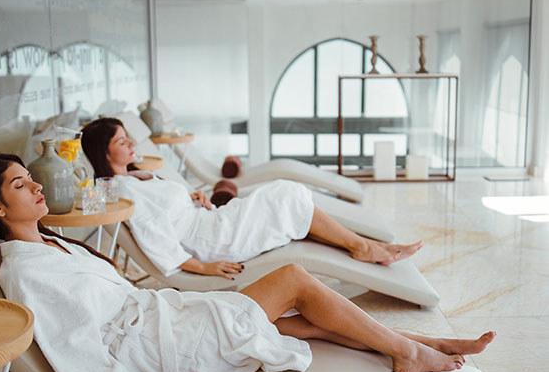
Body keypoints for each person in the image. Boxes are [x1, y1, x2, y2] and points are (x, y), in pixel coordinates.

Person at [0, 153, 494, 372]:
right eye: (20, 184)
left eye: (31, 177)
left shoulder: (53, 245)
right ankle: (408, 351)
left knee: (299, 323)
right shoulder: (26, 273)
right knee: (294, 280)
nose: (37, 185)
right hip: (159, 351)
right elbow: (73, 351)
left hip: (164, 320)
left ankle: (418, 346)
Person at [81, 118, 423, 280]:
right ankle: (362, 246)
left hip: (208, 220)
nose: (132, 144)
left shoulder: (137, 176)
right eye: (122, 142)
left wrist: (192, 197)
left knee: (284, 194)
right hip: (210, 242)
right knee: (286, 195)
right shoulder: (121, 190)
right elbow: (155, 235)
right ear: (103, 153)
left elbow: (167, 209)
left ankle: (361, 245)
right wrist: (201, 267)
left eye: (128, 138)